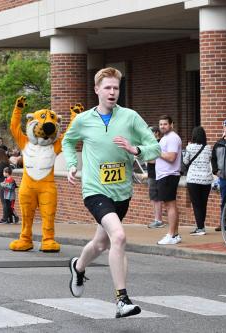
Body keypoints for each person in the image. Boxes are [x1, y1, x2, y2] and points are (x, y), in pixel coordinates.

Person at [62, 67, 160, 318]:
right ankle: (122, 300)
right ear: (97, 90)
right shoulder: (83, 120)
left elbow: (155, 147)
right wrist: (72, 164)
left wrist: (134, 149)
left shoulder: (130, 117)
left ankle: (78, 266)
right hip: (95, 190)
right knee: (118, 237)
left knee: (101, 242)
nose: (112, 92)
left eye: (116, 88)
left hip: (121, 192)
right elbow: (68, 141)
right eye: (107, 87)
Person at [155, 115, 182, 245]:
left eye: (165, 124)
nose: (162, 126)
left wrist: (156, 151)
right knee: (171, 205)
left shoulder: (172, 138)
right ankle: (175, 234)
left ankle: (171, 235)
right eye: (160, 124)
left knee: (170, 205)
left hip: (168, 175)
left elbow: (171, 157)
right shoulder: (165, 138)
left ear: (171, 124)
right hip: (164, 175)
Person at [183, 126, 213, 236]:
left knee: (196, 204)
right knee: (203, 204)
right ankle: (202, 226)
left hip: (193, 179)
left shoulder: (190, 147)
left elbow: (185, 161)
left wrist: (187, 148)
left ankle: (200, 228)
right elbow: (210, 160)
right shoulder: (208, 148)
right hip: (206, 179)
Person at [146, 126, 164, 229]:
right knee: (153, 197)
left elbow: (156, 159)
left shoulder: (158, 143)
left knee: (156, 197)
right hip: (151, 173)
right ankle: (156, 219)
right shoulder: (152, 143)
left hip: (156, 174)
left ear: (156, 133)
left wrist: (145, 158)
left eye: (150, 132)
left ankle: (159, 220)